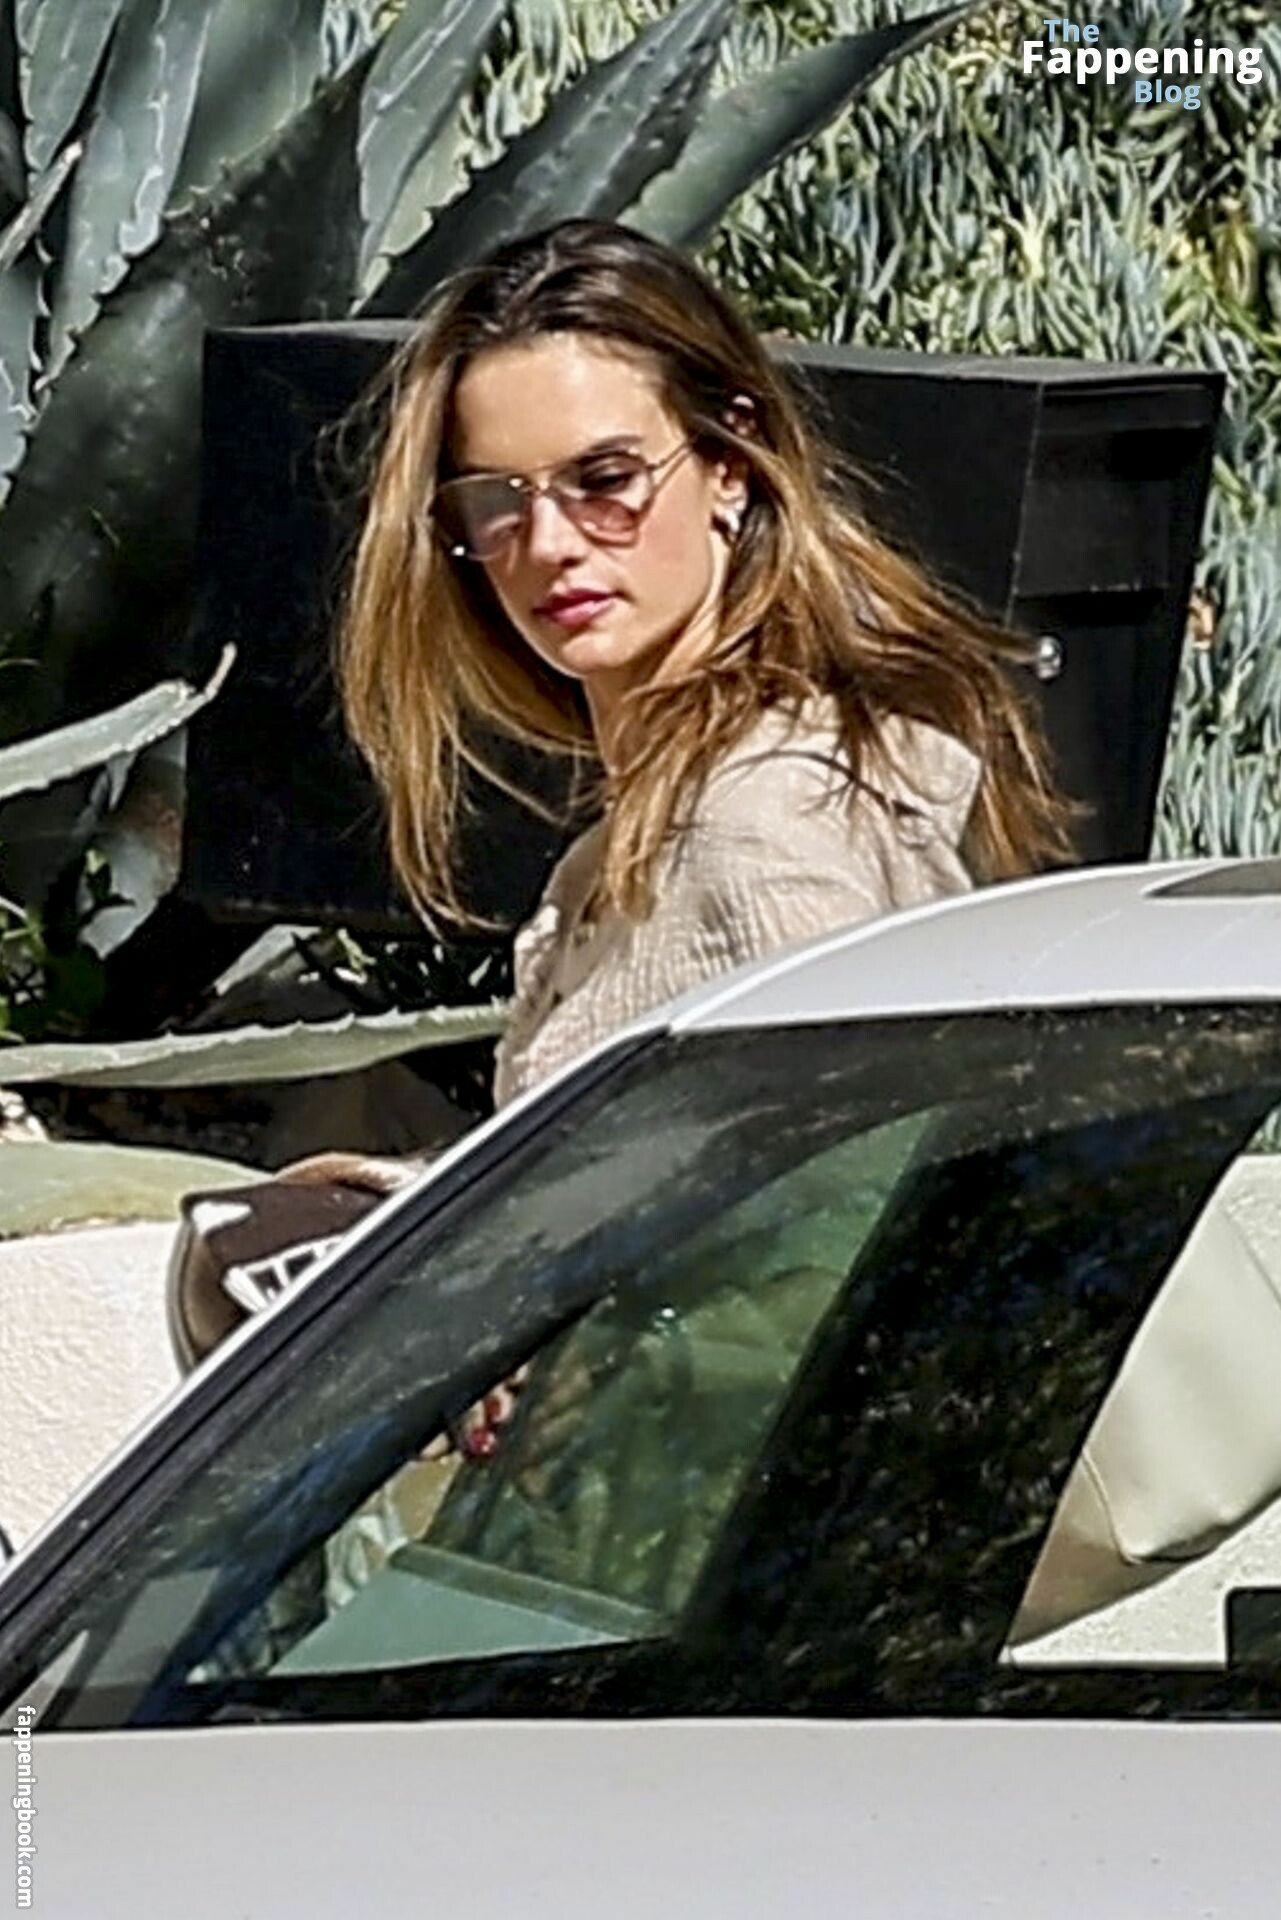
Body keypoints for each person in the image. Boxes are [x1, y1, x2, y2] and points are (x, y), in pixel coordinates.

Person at [180, 216, 1076, 1402]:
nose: (549, 545)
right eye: (497, 501)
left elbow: (839, 1263)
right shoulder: (713, 795)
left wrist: (526, 1343)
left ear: (730, 464)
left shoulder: (761, 830)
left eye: (604, 481)